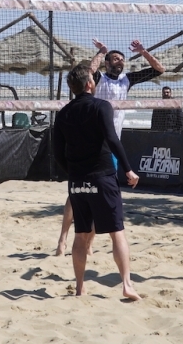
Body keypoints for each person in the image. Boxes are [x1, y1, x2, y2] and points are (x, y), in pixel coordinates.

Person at [55, 38, 165, 256]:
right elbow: (87, 72)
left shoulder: (127, 80)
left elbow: (159, 69)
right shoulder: (97, 79)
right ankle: (63, 238)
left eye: (122, 59)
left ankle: (88, 244)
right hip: (90, 141)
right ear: (106, 63)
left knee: (99, 194)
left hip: (110, 145)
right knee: (77, 193)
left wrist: (143, 51)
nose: (120, 62)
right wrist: (101, 52)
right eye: (115, 58)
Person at [53, 64, 141, 301]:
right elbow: (112, 139)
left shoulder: (63, 113)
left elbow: (58, 153)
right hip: (102, 176)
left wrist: (73, 172)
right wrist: (128, 170)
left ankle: (80, 288)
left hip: (78, 181)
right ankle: (126, 284)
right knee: (117, 232)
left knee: (81, 235)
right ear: (90, 84)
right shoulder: (101, 106)